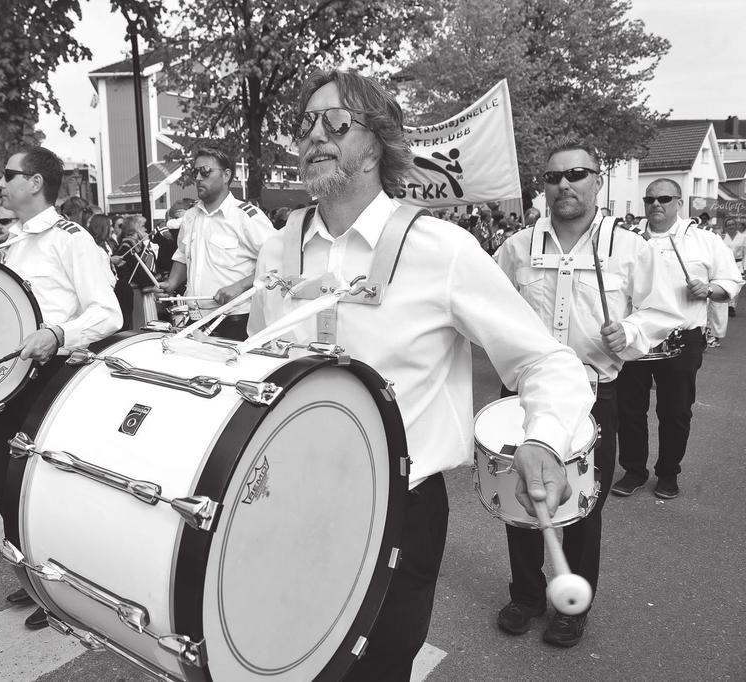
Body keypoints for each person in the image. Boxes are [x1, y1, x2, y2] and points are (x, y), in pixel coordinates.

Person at [247, 68, 594, 680]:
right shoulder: (279, 246)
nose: (313, 135)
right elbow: (258, 359)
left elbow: (545, 360)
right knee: (287, 655)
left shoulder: (443, 249)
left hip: (397, 506)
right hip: (290, 493)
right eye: (304, 123)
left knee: (378, 666)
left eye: (335, 121)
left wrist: (544, 438)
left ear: (376, 141)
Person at [494, 140, 682, 647]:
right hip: (525, 394)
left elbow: (661, 311)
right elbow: (488, 308)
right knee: (523, 498)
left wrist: (631, 333)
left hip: (593, 392)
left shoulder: (629, 247)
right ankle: (527, 593)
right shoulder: (516, 247)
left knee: (581, 504)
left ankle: (570, 604)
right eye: (553, 177)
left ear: (597, 181)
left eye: (576, 174)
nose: (564, 185)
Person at [0, 145, 121, 631]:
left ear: (35, 181)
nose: (0, 183)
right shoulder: (12, 241)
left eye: (8, 175)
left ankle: (58, 588)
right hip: (11, 375)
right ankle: (32, 574)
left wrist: (58, 333)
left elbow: (108, 312)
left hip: (52, 376)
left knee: (36, 491)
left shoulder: (71, 239)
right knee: (0, 484)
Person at [612, 179, 743, 499]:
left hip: (681, 338)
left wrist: (708, 289)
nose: (656, 204)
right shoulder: (630, 241)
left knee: (675, 411)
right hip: (636, 336)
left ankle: (668, 471)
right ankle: (634, 469)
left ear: (679, 203)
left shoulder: (703, 240)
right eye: (650, 199)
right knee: (629, 409)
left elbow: (731, 279)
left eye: (664, 198)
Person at [157, 146, 276, 341]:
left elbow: (276, 263)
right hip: (195, 321)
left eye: (205, 171)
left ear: (226, 175)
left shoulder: (246, 217)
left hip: (235, 322)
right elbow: (182, 255)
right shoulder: (190, 216)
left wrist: (239, 287)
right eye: (195, 172)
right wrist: (170, 283)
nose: (197, 178)